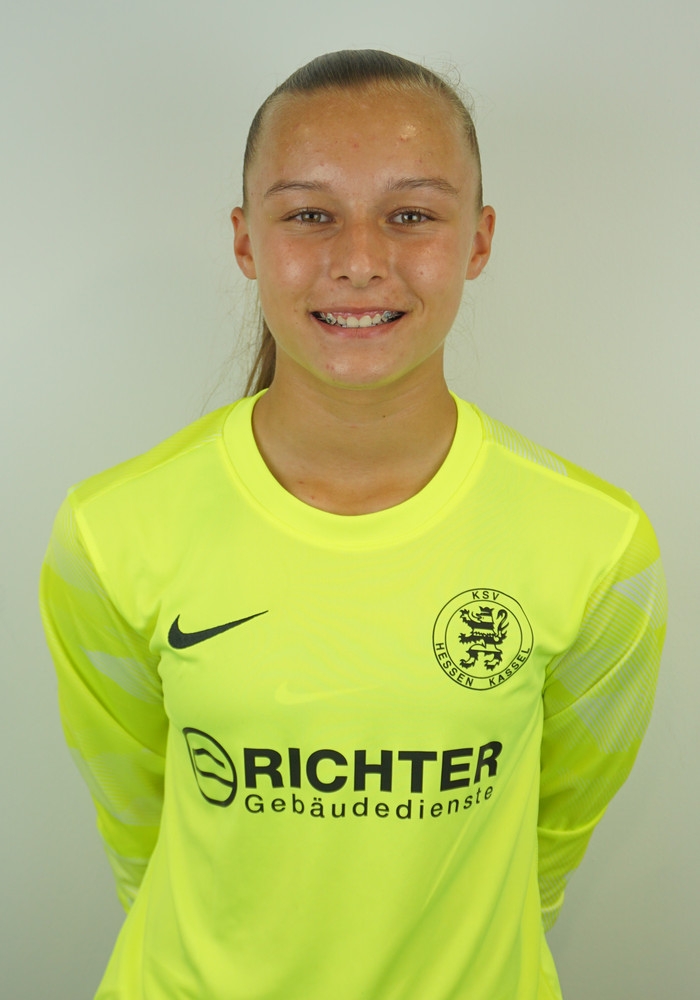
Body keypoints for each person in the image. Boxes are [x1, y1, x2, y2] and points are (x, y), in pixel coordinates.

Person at [39, 49, 667, 1000]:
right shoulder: (109, 529)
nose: (361, 260)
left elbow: (554, 834)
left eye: (411, 215)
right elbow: (138, 824)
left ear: (479, 240)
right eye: (309, 214)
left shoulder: (602, 547)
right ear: (246, 241)